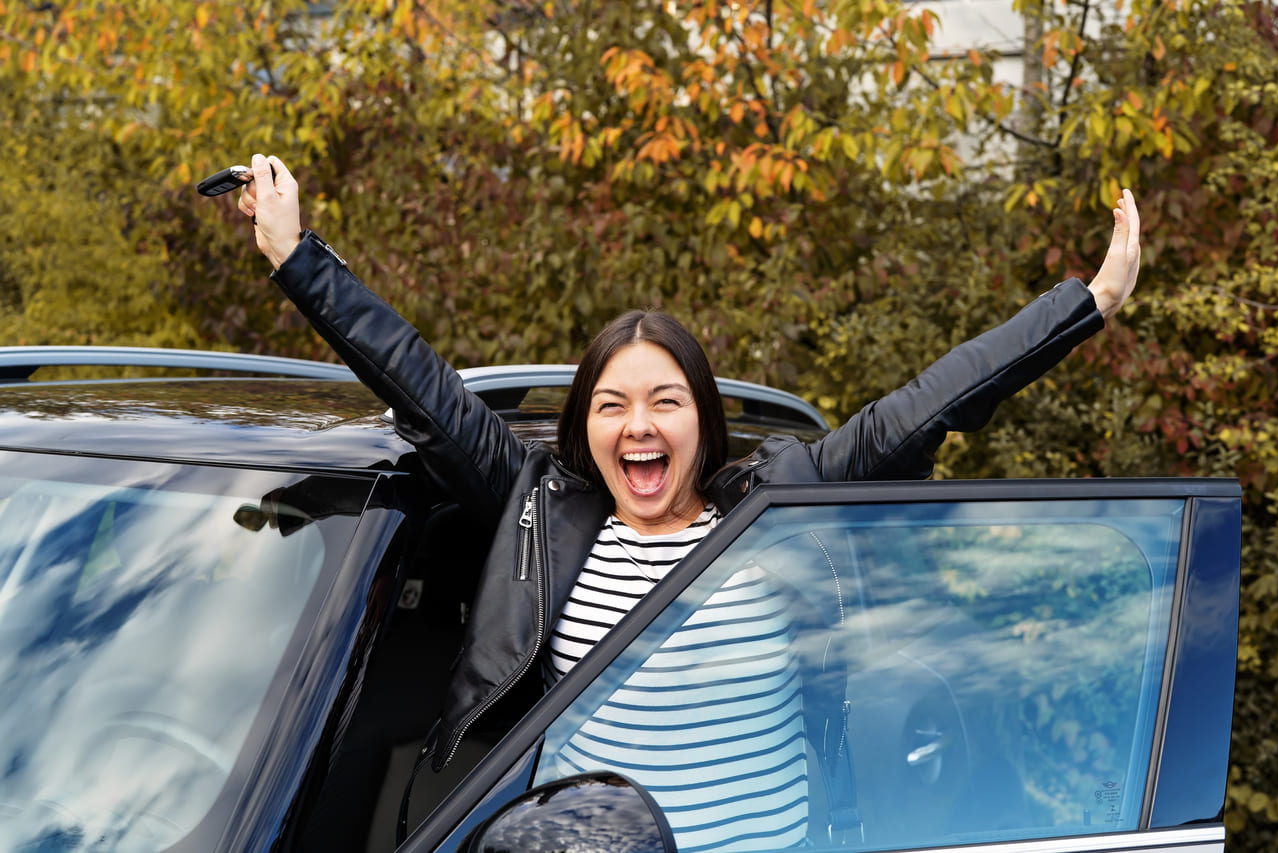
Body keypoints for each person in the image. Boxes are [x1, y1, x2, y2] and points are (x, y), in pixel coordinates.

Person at [238, 153, 1140, 850]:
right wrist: (293, 255)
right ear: (585, 429)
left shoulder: (775, 507)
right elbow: (423, 388)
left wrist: (1085, 305)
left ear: (701, 424)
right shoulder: (539, 513)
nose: (640, 425)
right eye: (612, 404)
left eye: (665, 401)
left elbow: (928, 404)